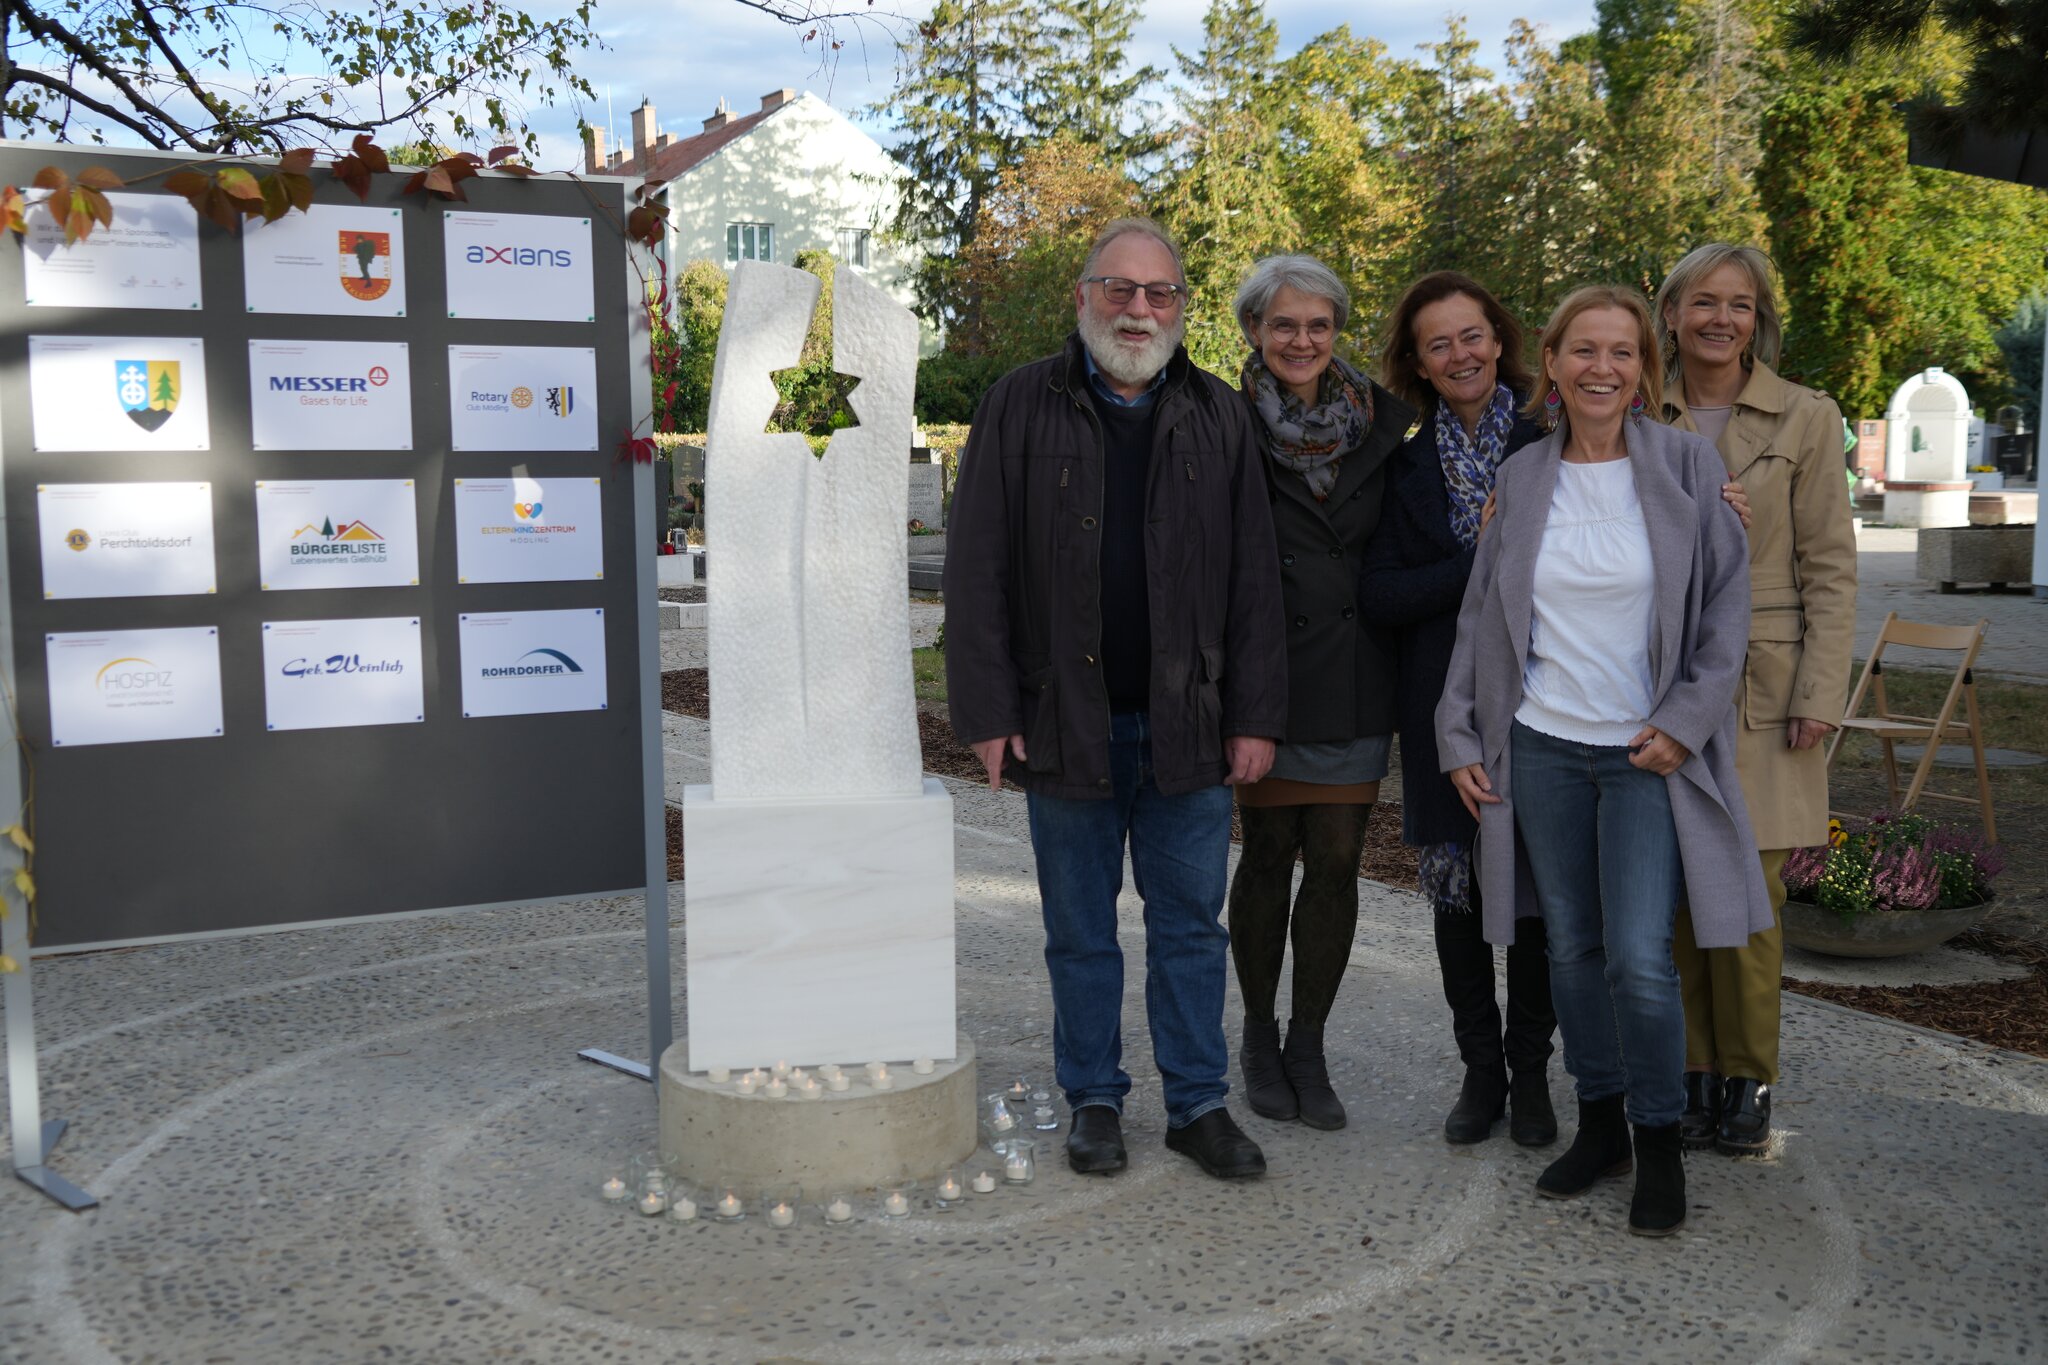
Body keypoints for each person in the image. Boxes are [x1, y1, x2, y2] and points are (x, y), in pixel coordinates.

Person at [943, 218, 1289, 1181]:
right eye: (1120, 289)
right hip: (1066, 725)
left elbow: (1256, 579)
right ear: (1084, 295)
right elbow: (976, 572)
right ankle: (1094, 1097)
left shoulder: (1220, 415)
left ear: (1181, 306)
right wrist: (987, 713)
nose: (1139, 310)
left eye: (1159, 293)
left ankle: (1197, 1104)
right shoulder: (1017, 406)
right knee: (1081, 933)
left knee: (1189, 926)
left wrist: (1257, 715)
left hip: (1192, 726)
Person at [1435, 285, 1771, 1237]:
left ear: (1643, 369)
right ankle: (1601, 1126)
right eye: (1585, 350)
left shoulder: (1688, 468)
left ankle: (1658, 1138)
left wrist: (1686, 718)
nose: (1602, 369)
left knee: (1637, 959)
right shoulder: (1528, 476)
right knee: (1571, 949)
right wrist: (1459, 732)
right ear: (1553, 362)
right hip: (1541, 745)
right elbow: (1481, 621)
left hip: (1644, 753)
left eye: (1622, 353)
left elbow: (1725, 613)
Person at [1654, 244, 1857, 1156]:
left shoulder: (1805, 417)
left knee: (1751, 901)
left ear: (1758, 317)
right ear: (1671, 312)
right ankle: (1694, 1073)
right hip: (1655, 683)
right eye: (1704, 301)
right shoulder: (1636, 404)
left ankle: (1749, 1077)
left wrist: (1821, 691)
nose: (1720, 319)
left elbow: (1831, 567)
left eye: (1738, 304)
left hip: (1765, 694)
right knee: (1676, 901)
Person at [1360, 271, 1558, 1147]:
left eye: (1471, 335)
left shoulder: (1553, 439)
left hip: (1549, 701)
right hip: (1441, 706)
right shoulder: (1401, 462)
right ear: (1418, 363)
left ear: (1499, 339)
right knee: (1458, 898)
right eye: (1438, 343)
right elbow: (1381, 594)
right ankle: (1480, 1073)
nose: (1460, 354)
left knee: (1545, 896)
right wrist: (1480, 555)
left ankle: (1532, 1073)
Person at [1223, 255, 1414, 1132]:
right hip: (1264, 673)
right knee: (1266, 855)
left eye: (1319, 325)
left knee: (1337, 860)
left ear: (1339, 332)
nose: (1302, 340)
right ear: (1255, 331)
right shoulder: (1222, 422)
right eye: (1284, 324)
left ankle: (1309, 1041)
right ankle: (1259, 1037)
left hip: (1352, 674)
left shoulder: (1382, 424)